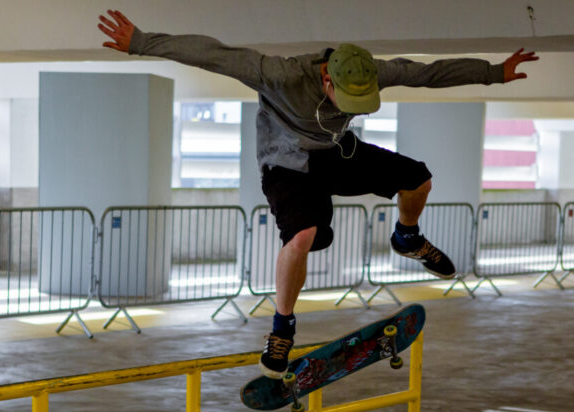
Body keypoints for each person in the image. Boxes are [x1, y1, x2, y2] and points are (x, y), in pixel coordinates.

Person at [98, 9, 537, 378]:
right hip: (286, 164)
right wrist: (141, 41)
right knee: (305, 235)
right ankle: (282, 327)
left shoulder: (372, 70)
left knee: (418, 178)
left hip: (335, 152)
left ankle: (406, 237)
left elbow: (426, 73)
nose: (347, 107)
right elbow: (214, 55)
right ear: (326, 79)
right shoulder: (279, 74)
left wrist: (493, 72)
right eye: (344, 99)